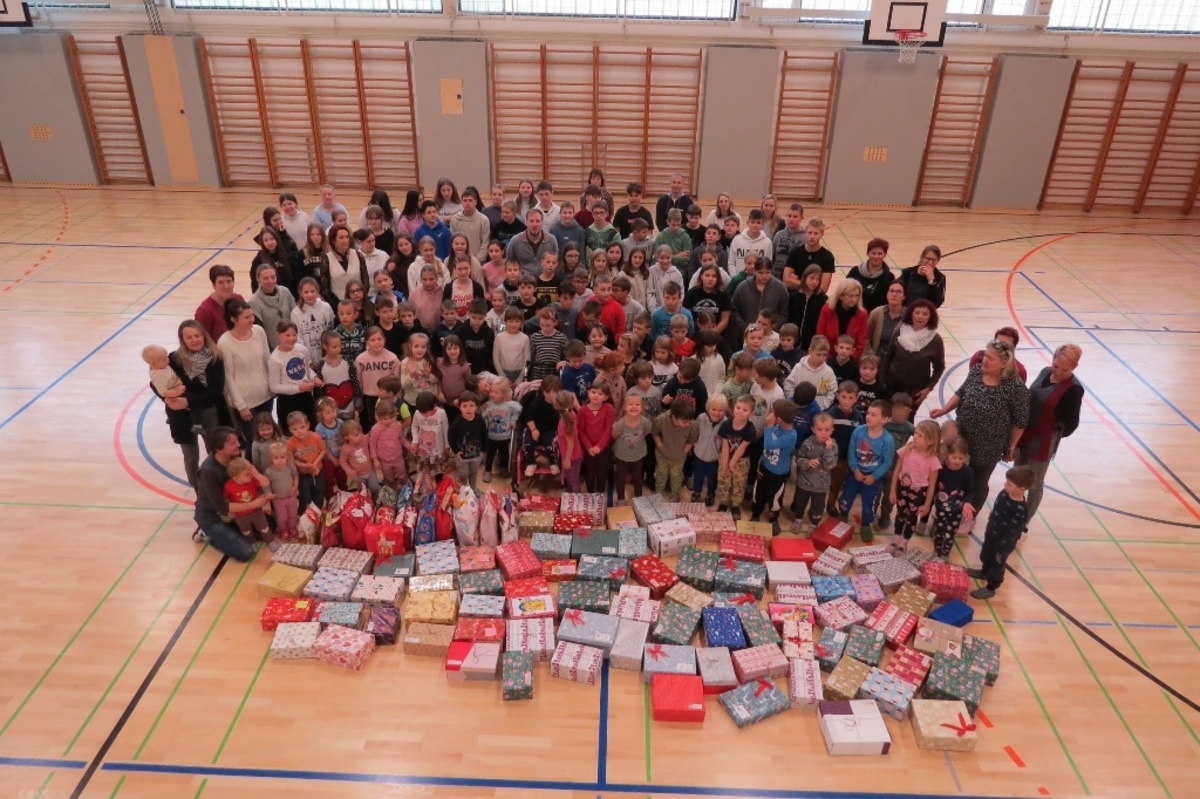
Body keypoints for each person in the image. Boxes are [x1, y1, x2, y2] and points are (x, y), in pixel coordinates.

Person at [931, 339, 1030, 524]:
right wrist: (944, 410)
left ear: (1004, 363)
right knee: (954, 473)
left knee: (978, 481)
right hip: (963, 436)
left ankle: (969, 517)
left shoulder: (1015, 387)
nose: (985, 360)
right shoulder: (976, 371)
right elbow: (961, 392)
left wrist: (1012, 446)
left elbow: (1021, 421)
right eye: (985, 355)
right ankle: (949, 507)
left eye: (991, 358)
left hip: (989, 444)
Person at [1015, 343, 1084, 530]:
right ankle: (1014, 512)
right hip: (1024, 433)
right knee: (1017, 476)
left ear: (1074, 367)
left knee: (1034, 484)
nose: (1058, 372)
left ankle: (1023, 524)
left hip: (1043, 441)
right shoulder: (1045, 372)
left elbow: (1072, 424)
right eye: (1056, 366)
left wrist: (1052, 433)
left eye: (1065, 369)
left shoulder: (1074, 390)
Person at [191, 428, 263, 559]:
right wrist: (254, 504)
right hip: (214, 518)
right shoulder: (208, 472)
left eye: (237, 441)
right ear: (218, 449)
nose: (239, 445)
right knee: (246, 552)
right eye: (232, 443)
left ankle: (231, 532)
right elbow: (221, 506)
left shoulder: (234, 458)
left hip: (235, 512)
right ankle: (207, 534)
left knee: (269, 527)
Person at [967, 465, 1035, 599]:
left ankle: (991, 587)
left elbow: (1013, 532)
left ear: (1021, 489)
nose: (1005, 485)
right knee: (986, 555)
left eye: (1009, 484)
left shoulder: (1020, 510)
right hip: (992, 533)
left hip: (1003, 544)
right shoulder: (1004, 493)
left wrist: (1002, 548)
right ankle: (984, 572)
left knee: (997, 565)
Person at [836, 399, 895, 541]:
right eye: (868, 413)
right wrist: (855, 469)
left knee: (869, 503)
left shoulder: (887, 440)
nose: (868, 416)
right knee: (847, 496)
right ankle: (843, 514)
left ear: (885, 419)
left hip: (872, 478)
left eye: (874, 415)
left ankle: (866, 524)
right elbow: (851, 451)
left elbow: (887, 461)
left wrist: (874, 476)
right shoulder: (858, 431)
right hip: (854, 474)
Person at [217, 298, 273, 444]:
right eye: (247, 317)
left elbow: (267, 359)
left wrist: (272, 386)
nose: (252, 319)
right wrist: (241, 406)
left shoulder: (259, 332)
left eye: (252, 315)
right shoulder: (225, 343)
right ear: (234, 319)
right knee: (254, 442)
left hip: (266, 396)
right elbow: (227, 378)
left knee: (268, 439)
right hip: (246, 403)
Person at [878, 298, 946, 416]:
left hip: (915, 391)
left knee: (906, 419)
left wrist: (928, 388)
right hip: (892, 385)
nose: (920, 316)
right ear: (911, 314)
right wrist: (882, 381)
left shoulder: (936, 340)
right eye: (917, 313)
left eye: (925, 314)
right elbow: (888, 356)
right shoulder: (900, 331)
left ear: (931, 317)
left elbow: (939, 368)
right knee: (887, 417)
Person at [888, 419, 942, 554]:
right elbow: (897, 471)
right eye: (915, 433)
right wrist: (892, 491)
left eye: (920, 435)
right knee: (900, 514)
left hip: (918, 493)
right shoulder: (906, 450)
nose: (915, 436)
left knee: (911, 518)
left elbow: (932, 485)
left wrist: (927, 504)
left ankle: (904, 543)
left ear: (930, 441)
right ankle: (896, 539)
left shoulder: (933, 460)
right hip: (902, 489)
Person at [750, 399, 799, 530]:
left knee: (775, 497)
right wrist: (760, 463)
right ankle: (756, 512)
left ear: (779, 419)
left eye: (772, 413)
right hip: (764, 467)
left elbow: (769, 445)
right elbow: (765, 449)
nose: (769, 415)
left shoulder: (791, 436)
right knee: (759, 492)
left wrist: (769, 426)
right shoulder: (777, 427)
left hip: (778, 473)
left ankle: (773, 518)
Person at [792, 412, 838, 535]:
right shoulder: (807, 443)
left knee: (818, 507)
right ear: (813, 429)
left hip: (821, 486)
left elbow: (831, 465)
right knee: (800, 503)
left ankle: (814, 525)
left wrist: (828, 450)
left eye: (827, 430)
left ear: (832, 430)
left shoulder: (833, 446)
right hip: (804, 483)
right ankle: (798, 520)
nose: (823, 433)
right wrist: (807, 462)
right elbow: (798, 458)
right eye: (819, 429)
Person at [270, 320, 321, 430]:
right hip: (288, 401)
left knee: (311, 428)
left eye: (294, 335)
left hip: (306, 397)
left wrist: (314, 377)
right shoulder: (274, 358)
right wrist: (299, 388)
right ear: (278, 335)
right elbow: (274, 387)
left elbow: (307, 368)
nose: (291, 338)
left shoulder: (302, 349)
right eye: (287, 335)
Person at [732, 255, 790, 350]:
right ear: (755, 271)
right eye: (761, 273)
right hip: (747, 337)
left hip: (770, 339)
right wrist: (744, 328)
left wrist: (771, 328)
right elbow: (735, 310)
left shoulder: (780, 288)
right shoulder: (742, 287)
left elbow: (784, 312)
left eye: (767, 272)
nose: (764, 276)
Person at [932, 436, 974, 561]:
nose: (957, 461)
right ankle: (936, 550)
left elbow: (971, 490)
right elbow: (934, 486)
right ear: (948, 454)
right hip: (941, 507)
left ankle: (945, 553)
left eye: (960, 458)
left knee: (949, 533)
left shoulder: (967, 472)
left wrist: (967, 503)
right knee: (938, 530)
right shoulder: (940, 469)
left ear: (965, 457)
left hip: (956, 510)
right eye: (954, 457)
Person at [714, 395, 756, 518]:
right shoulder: (726, 425)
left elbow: (742, 448)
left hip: (741, 460)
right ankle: (723, 502)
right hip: (725, 456)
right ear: (733, 407)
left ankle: (736, 505)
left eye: (745, 410)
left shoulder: (750, 428)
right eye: (738, 408)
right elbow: (725, 446)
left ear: (751, 413)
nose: (740, 412)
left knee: (739, 482)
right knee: (724, 479)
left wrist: (732, 463)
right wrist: (725, 464)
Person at [652, 400, 699, 502]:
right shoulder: (660, 420)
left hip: (679, 456)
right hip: (662, 454)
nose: (688, 424)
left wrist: (683, 453)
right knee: (660, 474)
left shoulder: (693, 425)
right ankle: (658, 492)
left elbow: (691, 440)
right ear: (674, 417)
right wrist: (661, 448)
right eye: (684, 422)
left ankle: (675, 494)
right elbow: (655, 434)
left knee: (676, 476)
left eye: (689, 421)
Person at [612, 394, 652, 502]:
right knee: (621, 478)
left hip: (637, 455)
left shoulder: (645, 422)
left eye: (637, 404)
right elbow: (614, 435)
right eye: (630, 404)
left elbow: (646, 432)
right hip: (621, 455)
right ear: (625, 407)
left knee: (637, 477)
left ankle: (638, 498)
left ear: (641, 407)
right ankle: (621, 499)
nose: (634, 407)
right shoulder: (620, 424)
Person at [816, 278, 868, 360]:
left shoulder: (862, 314)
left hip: (850, 360)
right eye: (850, 296)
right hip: (827, 358)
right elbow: (820, 337)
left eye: (857, 295)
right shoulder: (827, 310)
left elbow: (861, 343)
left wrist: (847, 360)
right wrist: (828, 359)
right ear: (841, 296)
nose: (854, 299)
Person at [578, 380, 615, 495]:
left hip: (604, 447)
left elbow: (608, 429)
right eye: (593, 392)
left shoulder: (609, 408)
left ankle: (600, 492)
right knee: (590, 472)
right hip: (588, 447)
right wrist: (589, 447)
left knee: (602, 472)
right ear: (588, 393)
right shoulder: (582, 410)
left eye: (600, 394)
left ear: (606, 397)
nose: (596, 395)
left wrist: (599, 446)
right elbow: (581, 431)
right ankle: (590, 493)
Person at [286, 409, 326, 512]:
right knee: (305, 496)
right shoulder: (290, 443)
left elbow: (323, 450)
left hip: (318, 471)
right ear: (290, 430)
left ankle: (318, 512)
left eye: (302, 427)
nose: (299, 431)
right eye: (295, 429)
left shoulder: (315, 436)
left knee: (319, 492)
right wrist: (306, 466)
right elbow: (292, 460)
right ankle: (305, 515)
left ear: (308, 425)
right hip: (303, 474)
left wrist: (314, 464)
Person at [482, 377, 521, 481]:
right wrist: (485, 412)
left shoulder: (510, 405)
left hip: (505, 436)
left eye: (496, 392)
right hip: (491, 436)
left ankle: (504, 469)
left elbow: (519, 410)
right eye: (492, 391)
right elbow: (482, 417)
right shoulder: (488, 404)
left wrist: (513, 419)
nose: (493, 394)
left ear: (504, 394)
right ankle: (487, 471)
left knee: (504, 454)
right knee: (490, 455)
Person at [249, 263, 296, 352]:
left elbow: (296, 316)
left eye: (273, 277)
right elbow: (259, 332)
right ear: (258, 279)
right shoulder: (254, 302)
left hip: (293, 344)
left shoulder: (285, 292)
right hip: (272, 349)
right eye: (265, 278)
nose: (270, 281)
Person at [783, 217, 836, 294]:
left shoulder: (827, 257)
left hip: (815, 298)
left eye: (816, 233)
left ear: (822, 235)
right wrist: (812, 285)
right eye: (809, 232)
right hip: (794, 296)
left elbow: (823, 288)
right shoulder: (795, 253)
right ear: (805, 233)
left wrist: (796, 283)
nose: (812, 236)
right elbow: (786, 281)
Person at [784, 334, 836, 410]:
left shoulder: (828, 372)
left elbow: (832, 391)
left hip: (817, 410)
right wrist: (795, 402)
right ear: (810, 351)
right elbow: (789, 386)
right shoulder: (799, 368)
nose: (821, 358)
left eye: (824, 355)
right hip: (798, 407)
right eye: (818, 355)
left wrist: (822, 406)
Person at [691, 394, 726, 507]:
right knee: (698, 476)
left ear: (725, 411)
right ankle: (696, 493)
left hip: (714, 458)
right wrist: (694, 442)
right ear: (708, 408)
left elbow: (726, 442)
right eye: (713, 409)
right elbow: (693, 430)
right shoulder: (701, 418)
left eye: (720, 410)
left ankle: (711, 494)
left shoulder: (726, 423)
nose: (716, 413)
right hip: (699, 455)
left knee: (712, 478)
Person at [195, 265, 242, 344]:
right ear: (214, 285)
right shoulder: (204, 311)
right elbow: (202, 341)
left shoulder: (239, 299)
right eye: (221, 283)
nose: (226, 286)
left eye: (229, 281)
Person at [448, 391, 487, 487]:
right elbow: (450, 436)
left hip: (476, 455)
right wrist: (456, 451)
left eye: (471, 405)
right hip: (462, 457)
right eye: (464, 406)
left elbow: (485, 435)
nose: (468, 409)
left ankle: (473, 488)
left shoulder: (480, 420)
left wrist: (484, 449)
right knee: (463, 474)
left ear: (476, 407)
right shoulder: (457, 422)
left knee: (474, 473)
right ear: (460, 407)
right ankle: (464, 489)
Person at [506, 208, 558, 275]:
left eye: (537, 221)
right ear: (526, 222)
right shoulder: (515, 241)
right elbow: (509, 262)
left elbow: (555, 261)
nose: (534, 224)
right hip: (522, 280)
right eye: (531, 221)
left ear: (542, 222)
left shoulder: (551, 240)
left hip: (545, 279)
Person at [249, 226, 293, 295]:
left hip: (286, 295)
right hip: (268, 297)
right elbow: (254, 282)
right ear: (262, 242)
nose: (270, 243)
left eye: (272, 239)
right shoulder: (258, 260)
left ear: (277, 239)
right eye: (266, 240)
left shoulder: (286, 254)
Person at [729, 209, 774, 276]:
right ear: (748, 223)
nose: (755, 225)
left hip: (758, 279)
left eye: (758, 223)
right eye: (753, 222)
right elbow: (731, 263)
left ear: (763, 224)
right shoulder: (737, 240)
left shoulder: (767, 242)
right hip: (739, 278)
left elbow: (767, 264)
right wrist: (735, 278)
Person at [866, 280, 906, 355]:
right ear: (886, 294)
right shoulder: (876, 313)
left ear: (904, 296)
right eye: (891, 291)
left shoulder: (908, 316)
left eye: (899, 292)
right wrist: (870, 357)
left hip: (897, 360)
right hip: (875, 358)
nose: (894, 294)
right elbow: (866, 339)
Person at [528, 307, 568, 381]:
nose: (544, 328)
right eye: (542, 325)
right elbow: (532, 356)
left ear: (555, 323)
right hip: (537, 375)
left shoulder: (561, 337)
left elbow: (566, 356)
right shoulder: (534, 337)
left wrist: (564, 362)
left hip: (554, 375)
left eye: (548, 325)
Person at [450, 187, 491, 259]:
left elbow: (485, 243)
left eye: (470, 200)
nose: (467, 203)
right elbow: (454, 242)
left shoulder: (484, 220)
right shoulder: (455, 219)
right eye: (465, 200)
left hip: (478, 260)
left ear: (475, 202)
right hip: (460, 260)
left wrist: (477, 260)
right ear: (461, 202)